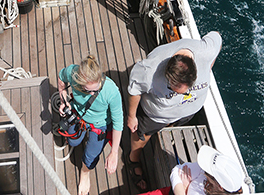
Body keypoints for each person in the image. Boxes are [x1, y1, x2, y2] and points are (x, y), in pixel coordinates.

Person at [127, 32, 222, 191]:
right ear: (167, 76)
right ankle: (133, 160)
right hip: (155, 115)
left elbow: (217, 37)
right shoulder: (149, 70)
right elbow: (134, 90)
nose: (180, 95)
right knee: (141, 135)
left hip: (187, 112)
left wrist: (209, 64)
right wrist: (131, 116)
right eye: (174, 90)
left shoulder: (204, 52)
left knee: (171, 123)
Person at [58, 54, 123, 195]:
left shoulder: (111, 91)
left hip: (100, 124)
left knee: (91, 156)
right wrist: (63, 99)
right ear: (79, 81)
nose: (94, 93)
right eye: (89, 90)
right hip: (79, 114)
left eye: (96, 88)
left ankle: (85, 173)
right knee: (73, 142)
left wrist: (114, 152)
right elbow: (61, 78)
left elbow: (118, 123)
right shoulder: (72, 73)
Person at [170, 144, 247, 195]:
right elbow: (177, 170)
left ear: (220, 186)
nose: (205, 170)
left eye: (208, 172)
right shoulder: (205, 171)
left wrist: (185, 188)